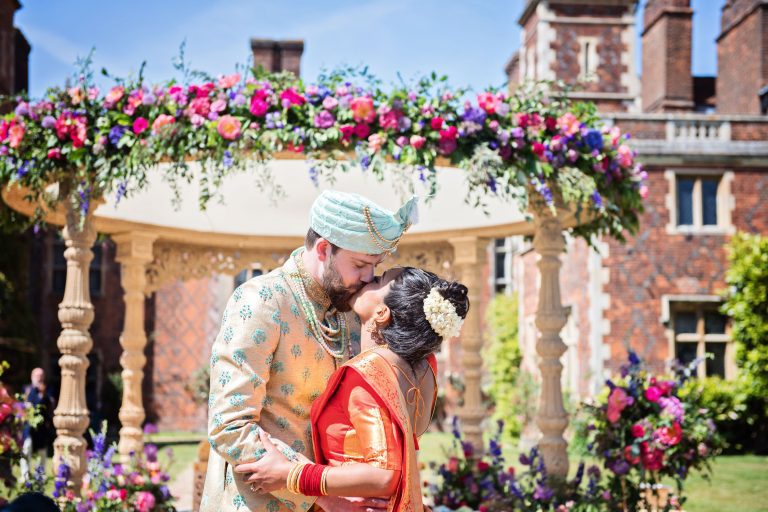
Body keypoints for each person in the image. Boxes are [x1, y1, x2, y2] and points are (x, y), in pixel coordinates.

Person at [201, 190, 418, 512]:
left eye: (375, 266)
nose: (368, 278)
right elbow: (229, 426)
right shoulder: (262, 300)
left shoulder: (352, 308)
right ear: (323, 249)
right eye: (359, 264)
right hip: (257, 501)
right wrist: (322, 495)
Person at [238, 267, 469, 511]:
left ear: (381, 313)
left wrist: (291, 475)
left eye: (379, 279)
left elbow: (384, 475)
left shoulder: (369, 371)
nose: (368, 278)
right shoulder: (424, 368)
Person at [20, 368, 55, 484]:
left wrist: (43, 394)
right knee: (26, 448)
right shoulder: (27, 389)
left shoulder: (48, 390)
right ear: (32, 376)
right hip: (29, 427)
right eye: (37, 375)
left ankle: (40, 475)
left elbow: (51, 405)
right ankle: (25, 475)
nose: (39, 378)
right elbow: (22, 406)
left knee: (42, 452)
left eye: (41, 375)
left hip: (42, 427)